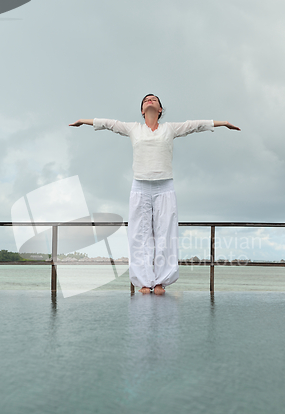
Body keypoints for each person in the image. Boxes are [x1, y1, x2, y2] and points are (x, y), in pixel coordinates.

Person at [69, 94, 240, 295]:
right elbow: (109, 124)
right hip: (140, 187)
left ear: (160, 109)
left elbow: (195, 125)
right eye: (146, 100)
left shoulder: (170, 129)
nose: (150, 100)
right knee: (139, 235)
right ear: (142, 110)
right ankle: (143, 281)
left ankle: (160, 282)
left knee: (165, 234)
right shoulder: (134, 129)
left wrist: (223, 123)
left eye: (154, 99)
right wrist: (83, 121)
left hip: (164, 187)